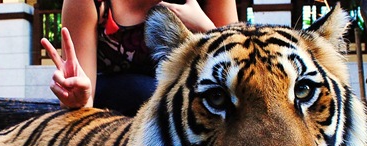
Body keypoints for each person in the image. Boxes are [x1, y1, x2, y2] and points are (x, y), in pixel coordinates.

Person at [41, 0, 238, 115]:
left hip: (196, 114)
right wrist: (77, 100)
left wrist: (205, 27)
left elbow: (240, 73)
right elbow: (84, 101)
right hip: (111, 115)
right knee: (141, 89)